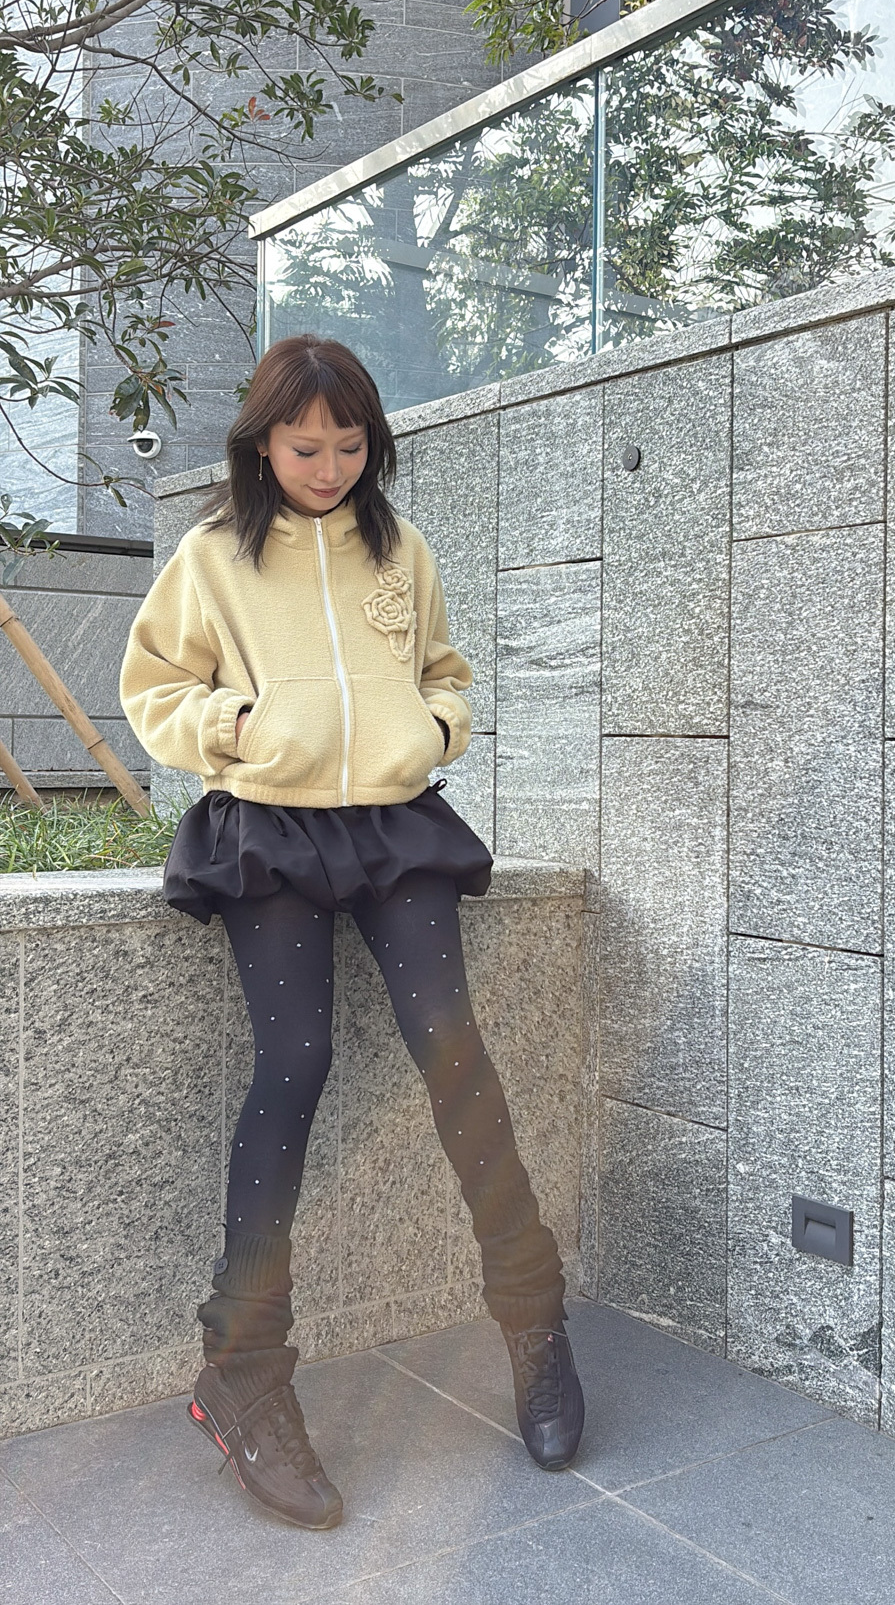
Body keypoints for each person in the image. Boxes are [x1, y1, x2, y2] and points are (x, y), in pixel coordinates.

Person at [118, 333, 584, 1532]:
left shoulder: (401, 548)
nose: (327, 466)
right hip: (266, 829)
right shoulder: (213, 554)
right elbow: (154, 685)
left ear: (372, 444)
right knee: (296, 1060)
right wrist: (239, 729)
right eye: (303, 445)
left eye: (347, 444)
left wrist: (432, 728)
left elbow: (445, 669)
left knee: (452, 1045)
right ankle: (242, 1371)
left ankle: (534, 1318)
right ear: (261, 444)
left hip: (391, 823)